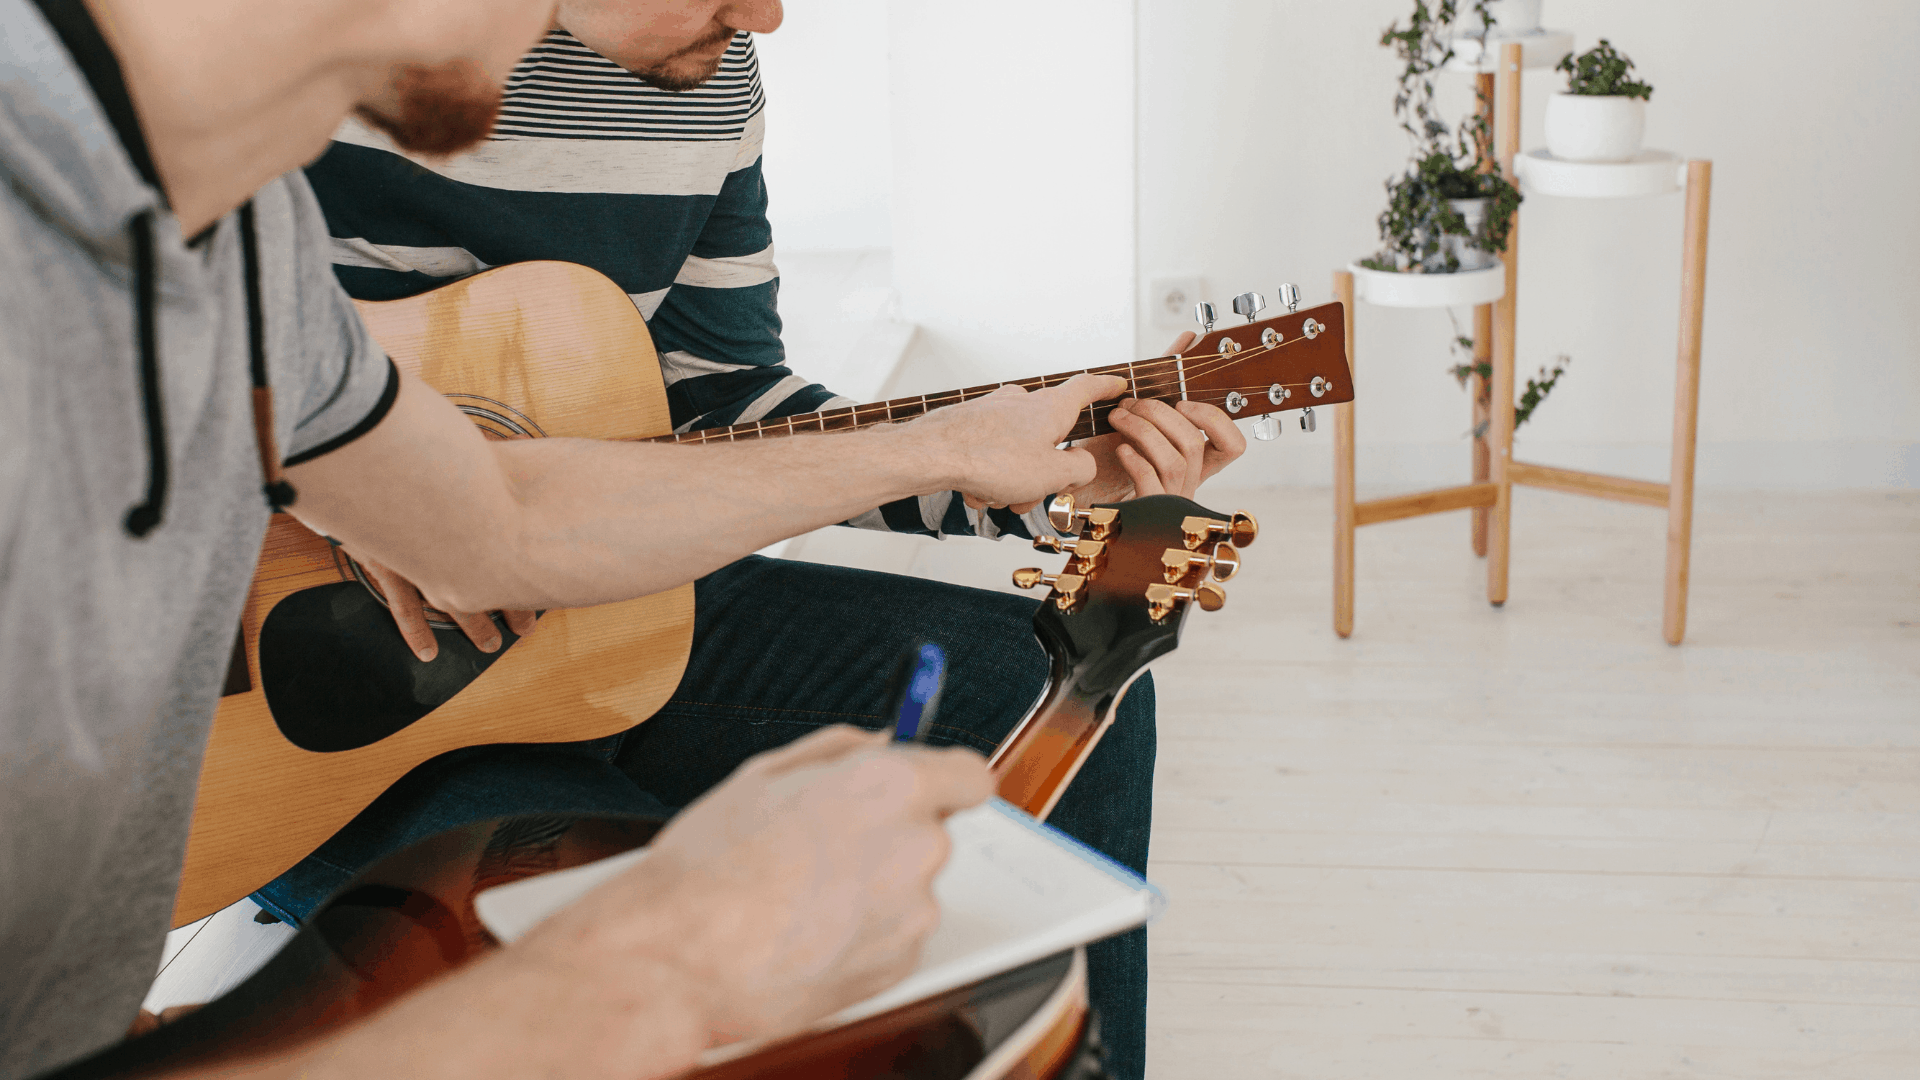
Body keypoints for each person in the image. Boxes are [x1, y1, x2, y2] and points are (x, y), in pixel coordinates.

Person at [0, 0, 1206, 1076]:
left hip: (573, 635)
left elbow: (503, 519)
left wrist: (971, 455)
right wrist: (646, 959)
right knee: (558, 875)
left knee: (1007, 687)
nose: (772, 19)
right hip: (323, 724)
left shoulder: (234, 233)